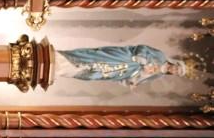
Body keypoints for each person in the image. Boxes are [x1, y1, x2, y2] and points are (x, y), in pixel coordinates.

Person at [56, 44, 186, 87]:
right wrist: (144, 62)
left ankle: (64, 70)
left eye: (177, 72)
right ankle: (62, 59)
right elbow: (142, 48)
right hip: (125, 59)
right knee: (95, 59)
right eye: (177, 68)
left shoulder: (159, 75)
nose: (174, 70)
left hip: (124, 72)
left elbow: (141, 79)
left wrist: (134, 82)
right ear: (175, 63)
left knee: (94, 75)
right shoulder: (161, 56)